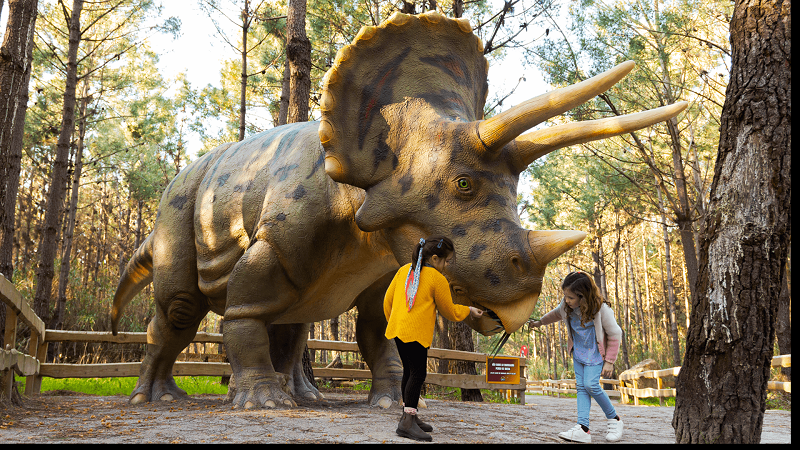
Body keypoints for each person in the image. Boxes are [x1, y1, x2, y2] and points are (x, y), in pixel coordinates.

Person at [383, 236, 484, 442]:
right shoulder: (437, 279)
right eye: (446, 261)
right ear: (435, 258)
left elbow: (388, 300)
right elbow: (449, 310)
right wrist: (469, 310)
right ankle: (406, 423)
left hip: (397, 330)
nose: (447, 266)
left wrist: (394, 322)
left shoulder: (404, 271)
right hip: (416, 333)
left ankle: (409, 415)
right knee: (418, 374)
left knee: (409, 372)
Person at [529, 271, 624, 443]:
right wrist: (539, 322)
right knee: (581, 388)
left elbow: (616, 333)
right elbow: (555, 314)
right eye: (565, 296)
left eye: (570, 297)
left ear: (583, 296)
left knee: (591, 385)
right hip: (579, 354)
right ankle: (583, 428)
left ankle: (614, 419)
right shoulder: (567, 307)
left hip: (596, 355)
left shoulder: (601, 309)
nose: (566, 300)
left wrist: (610, 361)